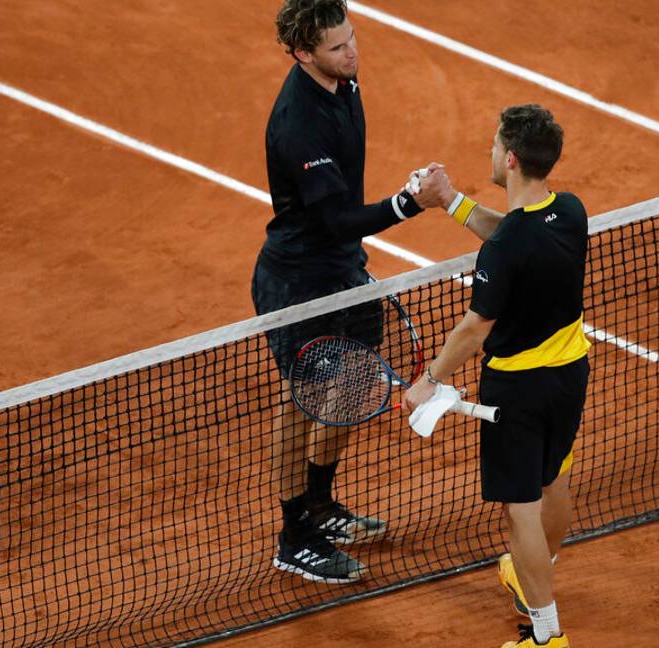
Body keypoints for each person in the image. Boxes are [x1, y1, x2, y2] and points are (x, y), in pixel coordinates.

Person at [254, 0, 451, 584]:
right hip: (299, 284)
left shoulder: (346, 81)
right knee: (303, 401)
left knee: (354, 379)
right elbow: (337, 218)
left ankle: (320, 506)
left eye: (352, 39)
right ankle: (294, 535)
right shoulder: (298, 123)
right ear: (303, 53)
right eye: (338, 48)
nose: (353, 52)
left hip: (343, 270)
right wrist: (408, 203)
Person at [405, 104, 588, 648]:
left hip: (517, 391)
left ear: (509, 159)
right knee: (553, 479)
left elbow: (474, 328)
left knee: (520, 511)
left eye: (492, 145)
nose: (488, 151)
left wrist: (429, 381)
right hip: (570, 373)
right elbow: (509, 233)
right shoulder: (570, 211)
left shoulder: (508, 246)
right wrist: (449, 201)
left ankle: (546, 637)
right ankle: (536, 571)